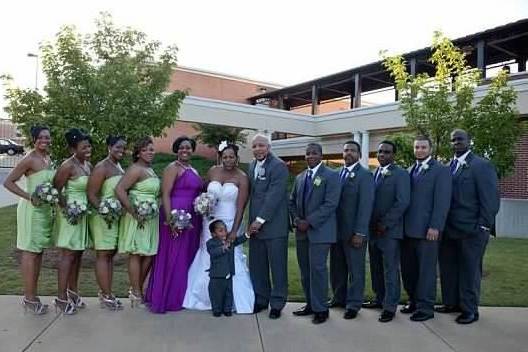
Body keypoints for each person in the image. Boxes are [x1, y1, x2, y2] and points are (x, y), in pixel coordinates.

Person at [437, 129, 500, 324]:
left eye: (460, 139)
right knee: (448, 268)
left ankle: (470, 309)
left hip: (472, 230)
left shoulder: (481, 166)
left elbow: (491, 200)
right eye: (453, 140)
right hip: (449, 230)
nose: (456, 142)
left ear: (469, 141)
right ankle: (452, 303)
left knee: (470, 270)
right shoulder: (448, 166)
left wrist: (483, 226)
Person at [183, 142, 254, 314]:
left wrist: (234, 230)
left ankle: (232, 299)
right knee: (207, 254)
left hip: (229, 221)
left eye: (231, 157)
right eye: (225, 157)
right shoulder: (213, 171)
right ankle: (203, 296)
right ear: (220, 157)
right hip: (210, 221)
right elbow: (204, 193)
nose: (228, 160)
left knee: (230, 255)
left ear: (237, 158)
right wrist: (202, 204)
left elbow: (241, 207)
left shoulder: (242, 177)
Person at [145, 136, 203, 313]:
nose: (185, 150)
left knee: (187, 255)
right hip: (177, 214)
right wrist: (171, 219)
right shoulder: (172, 168)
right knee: (174, 255)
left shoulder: (193, 169)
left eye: (188, 147)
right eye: (181, 148)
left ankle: (183, 295)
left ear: (192, 150)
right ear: (176, 150)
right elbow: (165, 194)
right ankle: (169, 297)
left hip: (192, 217)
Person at [4, 125, 54, 315]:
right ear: (34, 139)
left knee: (38, 252)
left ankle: (32, 296)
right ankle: (29, 299)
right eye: (41, 137)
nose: (45, 140)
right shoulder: (29, 159)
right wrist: (28, 196)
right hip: (31, 211)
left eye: (47, 137)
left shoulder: (47, 158)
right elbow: (8, 181)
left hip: (43, 212)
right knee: (30, 253)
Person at [400, 136, 451, 322]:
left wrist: (435, 226)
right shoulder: (409, 170)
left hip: (427, 232)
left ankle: (426, 308)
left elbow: (442, 201)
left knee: (426, 272)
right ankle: (413, 300)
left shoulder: (441, 171)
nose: (420, 150)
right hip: (407, 232)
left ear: (430, 148)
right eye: (417, 147)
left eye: (423, 147)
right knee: (408, 270)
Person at [289, 143, 341, 324]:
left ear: (321, 155)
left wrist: (308, 222)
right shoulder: (300, 177)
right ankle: (310, 304)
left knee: (318, 270)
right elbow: (292, 201)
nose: (310, 156)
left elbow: (330, 204)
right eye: (307, 153)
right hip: (302, 233)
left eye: (314, 153)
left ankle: (321, 309)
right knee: (305, 271)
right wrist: (296, 220)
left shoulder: (331, 176)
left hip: (321, 232)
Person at [363, 140, 410, 323]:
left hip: (390, 231)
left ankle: (390, 306)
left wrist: (386, 223)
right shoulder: (374, 174)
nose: (382, 155)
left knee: (390, 269)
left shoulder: (401, 175)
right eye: (380, 151)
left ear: (393, 155)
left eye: (387, 152)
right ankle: (379, 298)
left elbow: (402, 202)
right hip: (373, 230)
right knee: (375, 268)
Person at [329, 141, 374, 320]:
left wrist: (360, 232)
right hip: (336, 231)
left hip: (354, 233)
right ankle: (339, 298)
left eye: (352, 151)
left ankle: (354, 304)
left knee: (355, 269)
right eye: (346, 150)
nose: (348, 153)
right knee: (337, 268)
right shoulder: (337, 174)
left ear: (359, 154)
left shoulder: (365, 175)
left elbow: (365, 206)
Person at [247, 133, 289, 319]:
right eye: (255, 146)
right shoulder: (251, 166)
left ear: (269, 147)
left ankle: (277, 303)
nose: (258, 149)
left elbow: (274, 196)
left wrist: (260, 219)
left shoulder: (278, 166)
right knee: (257, 265)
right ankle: (261, 299)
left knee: (278, 266)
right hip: (255, 228)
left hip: (274, 227)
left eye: (261, 145)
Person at [116, 137, 160, 308]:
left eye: (151, 149)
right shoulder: (135, 169)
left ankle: (136, 289)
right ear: (138, 153)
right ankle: (136, 292)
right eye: (146, 150)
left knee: (149, 253)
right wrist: (133, 212)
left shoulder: (150, 169)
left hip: (150, 217)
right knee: (136, 252)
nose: (150, 152)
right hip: (137, 216)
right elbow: (119, 189)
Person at [53, 128, 93, 315]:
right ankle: (61, 298)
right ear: (72, 149)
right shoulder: (67, 166)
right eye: (83, 146)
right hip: (70, 216)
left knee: (78, 255)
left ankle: (73, 291)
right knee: (68, 255)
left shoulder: (87, 165)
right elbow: (56, 191)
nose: (87, 148)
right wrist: (67, 208)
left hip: (82, 213)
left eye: (88, 145)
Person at [87, 135, 126, 310]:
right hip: (103, 218)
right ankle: (106, 295)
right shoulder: (102, 167)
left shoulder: (118, 165)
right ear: (109, 147)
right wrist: (104, 210)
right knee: (103, 255)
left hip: (115, 217)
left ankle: (107, 293)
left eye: (123, 148)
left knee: (110, 255)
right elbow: (92, 194)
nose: (121, 151)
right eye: (118, 147)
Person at [206, 219, 250, 317]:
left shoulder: (229, 241)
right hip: (216, 275)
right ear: (213, 234)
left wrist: (247, 233)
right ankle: (216, 309)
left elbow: (239, 240)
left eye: (225, 230)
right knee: (215, 293)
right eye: (220, 230)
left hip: (229, 273)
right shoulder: (211, 243)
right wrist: (223, 248)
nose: (224, 232)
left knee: (228, 293)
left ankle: (227, 309)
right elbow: (213, 252)